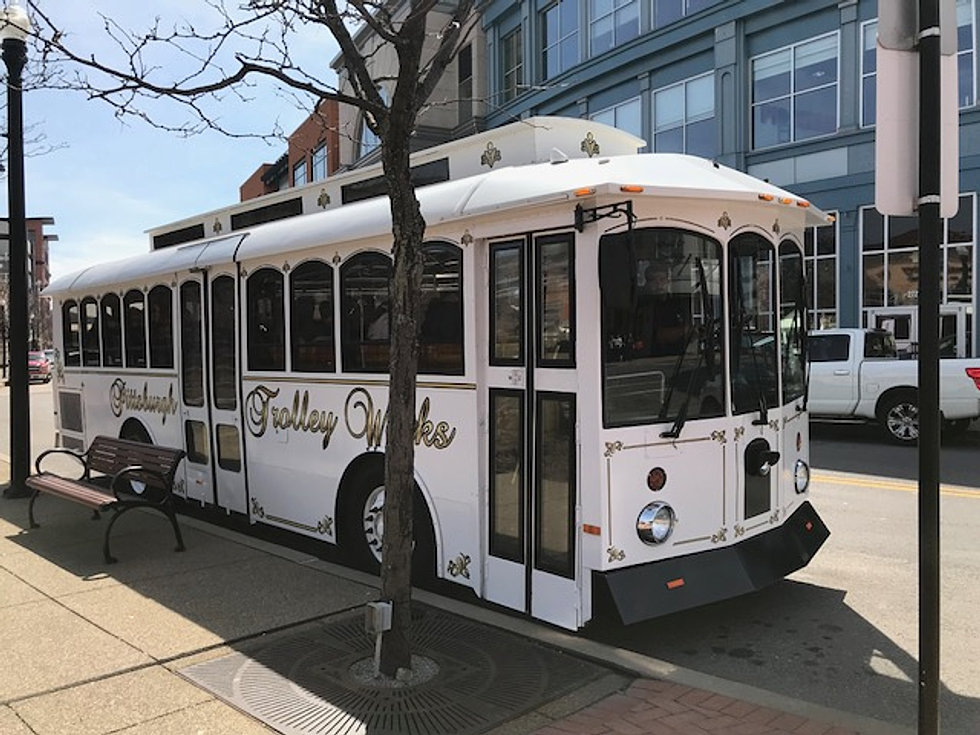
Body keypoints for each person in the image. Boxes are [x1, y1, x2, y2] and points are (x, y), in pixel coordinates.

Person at [635, 262, 688, 356]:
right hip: (648, 358)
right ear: (647, 283)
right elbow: (656, 335)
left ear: (668, 281)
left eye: (662, 279)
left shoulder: (677, 303)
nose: (658, 284)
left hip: (676, 359)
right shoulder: (642, 305)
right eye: (653, 280)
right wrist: (685, 330)